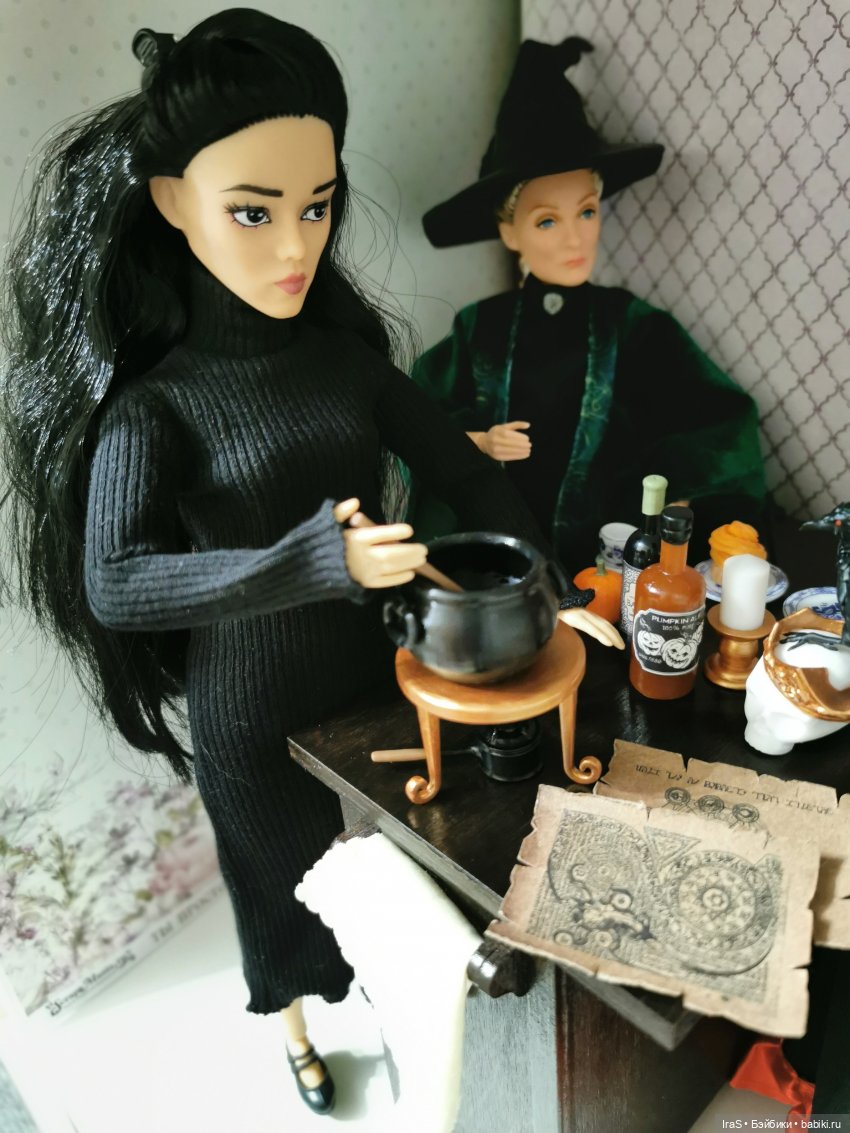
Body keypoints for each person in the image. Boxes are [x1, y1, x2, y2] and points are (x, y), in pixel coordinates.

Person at [0, 11, 617, 1116]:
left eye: (317, 205)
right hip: (253, 710)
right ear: (172, 201)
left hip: (372, 677)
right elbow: (117, 581)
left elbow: (462, 474)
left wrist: (550, 589)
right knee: (281, 890)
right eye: (253, 210)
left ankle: (403, 1004)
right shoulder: (155, 409)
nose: (295, 247)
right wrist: (310, 560)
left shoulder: (344, 361)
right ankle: (291, 1030)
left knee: (404, 877)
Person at [408, 36, 767, 572]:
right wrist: (479, 441)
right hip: (496, 563)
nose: (575, 239)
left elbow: (717, 422)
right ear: (509, 232)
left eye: (587, 212)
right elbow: (417, 419)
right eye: (546, 221)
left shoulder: (632, 325)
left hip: (607, 566)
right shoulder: (480, 328)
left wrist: (668, 492)